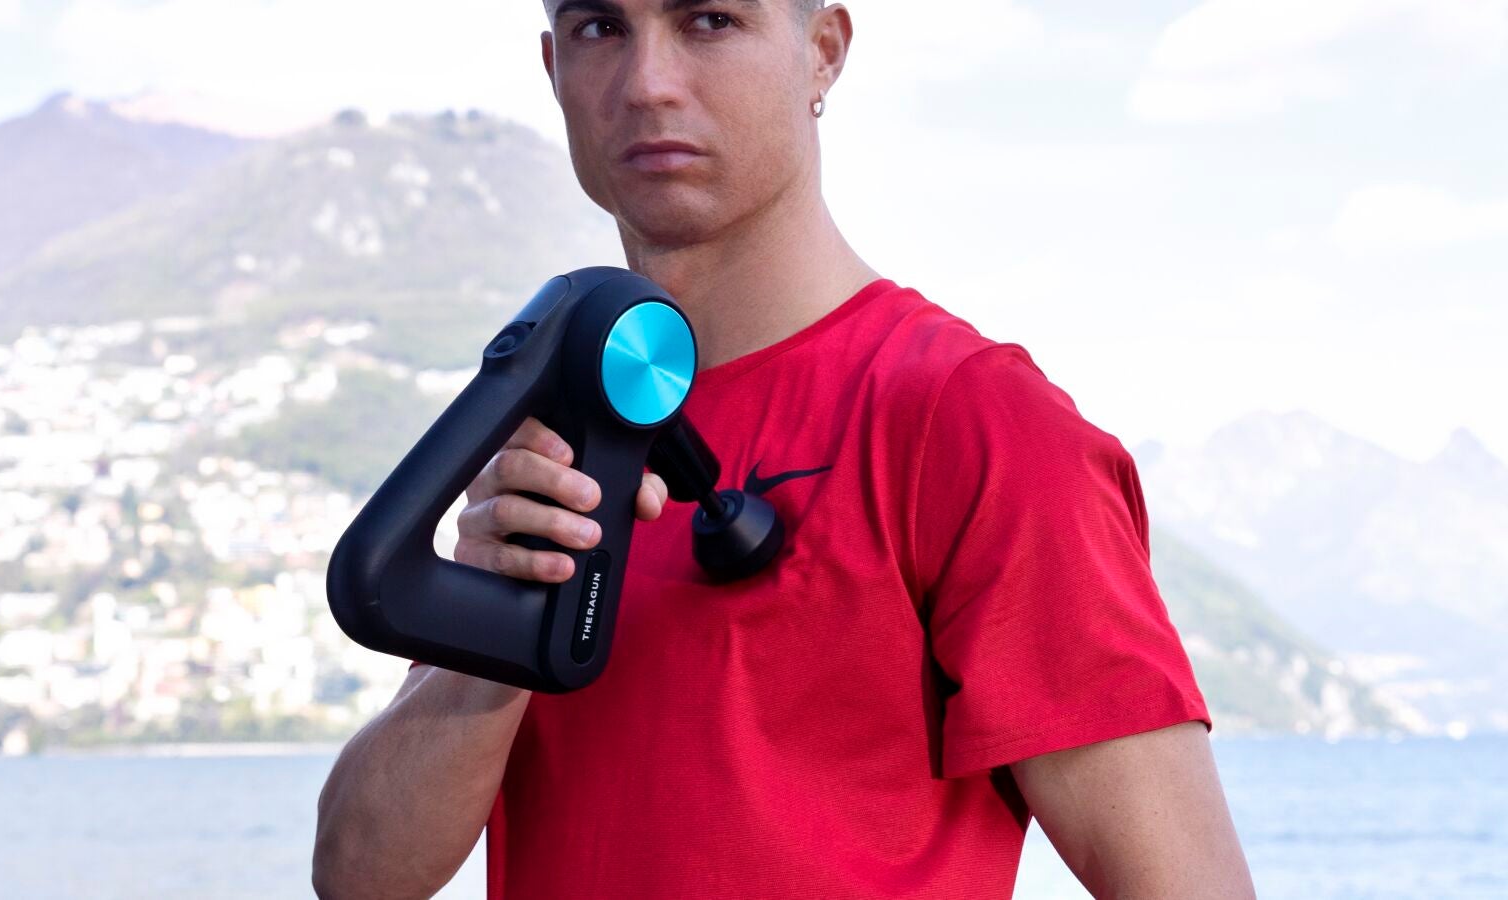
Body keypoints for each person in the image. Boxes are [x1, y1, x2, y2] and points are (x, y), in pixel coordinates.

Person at [313, 2, 1257, 897]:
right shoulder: (560, 436)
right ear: (555, 67)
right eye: (601, 26)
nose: (647, 82)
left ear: (824, 51)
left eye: (710, 20)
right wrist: (493, 636)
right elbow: (359, 874)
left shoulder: (975, 422)